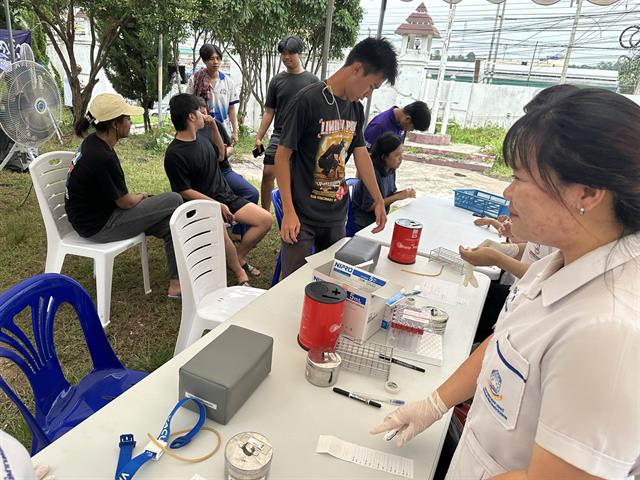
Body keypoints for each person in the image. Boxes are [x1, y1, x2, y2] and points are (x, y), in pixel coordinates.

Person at [371, 88, 640, 478]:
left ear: (588, 192)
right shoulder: (563, 263)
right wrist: (433, 404)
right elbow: (508, 344)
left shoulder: (610, 332)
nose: (507, 193)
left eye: (519, 178)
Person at [275, 37, 398, 278]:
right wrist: (288, 211)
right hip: (302, 214)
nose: (367, 95)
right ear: (357, 68)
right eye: (371, 86)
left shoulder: (355, 109)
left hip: (335, 215)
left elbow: (361, 153)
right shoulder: (308, 100)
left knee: (330, 280)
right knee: (292, 283)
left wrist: (379, 199)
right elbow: (282, 156)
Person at [65, 93, 183, 298]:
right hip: (99, 226)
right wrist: (142, 196)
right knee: (174, 200)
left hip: (92, 217)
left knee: (169, 222)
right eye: (127, 118)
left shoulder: (94, 143)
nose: (130, 122)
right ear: (114, 125)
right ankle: (178, 282)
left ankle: (176, 285)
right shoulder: (102, 156)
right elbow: (126, 202)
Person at [164, 94, 272, 284]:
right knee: (220, 232)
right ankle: (239, 273)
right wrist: (216, 205)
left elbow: (221, 155)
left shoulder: (202, 138)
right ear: (191, 116)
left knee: (265, 220)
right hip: (200, 206)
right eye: (199, 111)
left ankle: (237, 257)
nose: (204, 114)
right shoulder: (174, 154)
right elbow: (183, 190)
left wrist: (213, 126)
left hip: (225, 196)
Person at [254, 36, 319, 211]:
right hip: (280, 135)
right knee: (268, 173)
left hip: (302, 138)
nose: (286, 57)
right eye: (283, 54)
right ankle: (264, 213)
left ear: (300, 53)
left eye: (290, 53)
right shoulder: (277, 81)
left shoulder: (313, 82)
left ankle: (293, 212)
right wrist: (259, 137)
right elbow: (269, 111)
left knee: (295, 178)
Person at [195, 96, 259, 241]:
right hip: (206, 175)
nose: (204, 117)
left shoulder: (214, 124)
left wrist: (224, 152)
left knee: (251, 192)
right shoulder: (191, 132)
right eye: (200, 113)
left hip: (223, 170)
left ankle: (237, 229)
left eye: (205, 112)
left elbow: (229, 148)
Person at [351, 132, 415, 233]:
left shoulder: (390, 170)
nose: (401, 159)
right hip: (363, 224)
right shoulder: (372, 173)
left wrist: (404, 193)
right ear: (384, 156)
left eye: (402, 154)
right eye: (397, 155)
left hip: (380, 218)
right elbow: (368, 206)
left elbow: (389, 195)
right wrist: (397, 197)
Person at [187, 44, 239, 145]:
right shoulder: (195, 80)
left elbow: (231, 108)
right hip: (201, 130)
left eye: (218, 58)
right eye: (211, 58)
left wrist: (235, 132)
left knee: (223, 156)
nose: (215, 62)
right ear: (204, 60)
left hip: (223, 130)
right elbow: (189, 106)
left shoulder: (228, 82)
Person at [364, 101, 430, 149]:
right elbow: (364, 156)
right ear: (408, 119)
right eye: (413, 128)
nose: (410, 131)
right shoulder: (379, 126)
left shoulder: (401, 125)